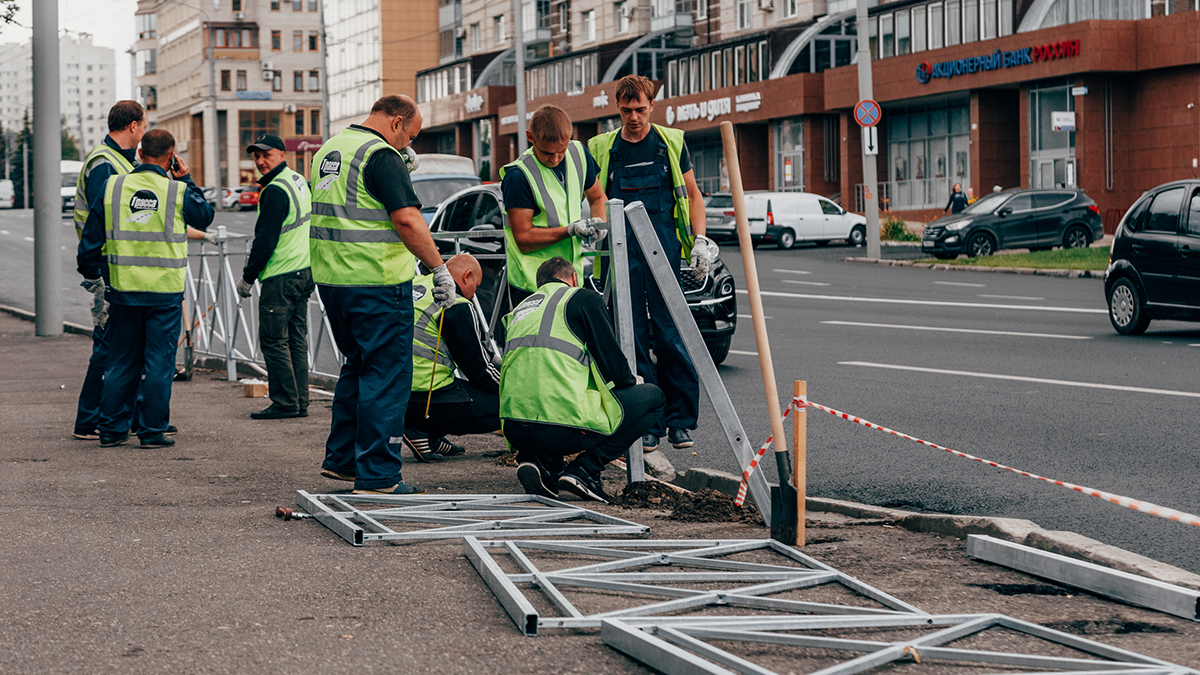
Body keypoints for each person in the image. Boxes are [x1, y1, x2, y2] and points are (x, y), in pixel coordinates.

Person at [310, 94, 456, 496]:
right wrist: (439, 269)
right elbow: (407, 220)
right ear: (396, 122)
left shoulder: (330, 150)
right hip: (375, 281)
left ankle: (342, 461)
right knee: (387, 376)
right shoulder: (380, 155)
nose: (409, 144)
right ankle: (378, 476)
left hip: (334, 281)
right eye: (410, 135)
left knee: (357, 367)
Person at [72, 101, 215, 441]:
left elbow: (90, 243)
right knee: (158, 364)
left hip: (122, 289)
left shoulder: (112, 187)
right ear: (171, 157)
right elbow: (205, 216)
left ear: (140, 151)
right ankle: (151, 431)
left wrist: (93, 275)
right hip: (163, 293)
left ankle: (111, 430)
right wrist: (187, 178)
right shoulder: (176, 191)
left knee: (122, 361)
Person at [587, 74, 709, 453]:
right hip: (621, 255)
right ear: (617, 108)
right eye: (626, 110)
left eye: (640, 109)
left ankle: (681, 423)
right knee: (633, 340)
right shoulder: (602, 147)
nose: (634, 117)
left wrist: (701, 240)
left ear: (652, 106)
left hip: (664, 250)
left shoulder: (671, 142)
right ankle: (650, 425)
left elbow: (692, 194)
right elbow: (594, 198)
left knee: (672, 335)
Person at [500, 257, 665, 503]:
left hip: (515, 429)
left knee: (551, 397)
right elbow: (615, 371)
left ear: (540, 284)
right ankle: (585, 470)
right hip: (561, 427)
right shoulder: (582, 298)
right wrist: (632, 384)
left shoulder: (521, 309)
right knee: (654, 398)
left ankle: (538, 461)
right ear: (574, 278)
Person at [237, 133, 315, 420]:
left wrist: (248, 278)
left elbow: (265, 240)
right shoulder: (297, 181)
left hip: (281, 273)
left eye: (266, 154)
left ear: (282, 154)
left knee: (273, 339)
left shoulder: (274, 190)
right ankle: (299, 401)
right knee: (295, 339)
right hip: (304, 271)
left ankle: (284, 402)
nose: (260, 161)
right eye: (256, 156)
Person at [500, 105, 608, 309]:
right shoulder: (518, 175)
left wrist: (599, 222)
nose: (555, 158)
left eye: (561, 150)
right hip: (533, 285)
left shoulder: (578, 153)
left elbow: (598, 198)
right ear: (529, 137)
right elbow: (523, 239)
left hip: (570, 279)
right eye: (547, 153)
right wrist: (569, 230)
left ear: (570, 136)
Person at [403, 254, 501, 462]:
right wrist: (511, 388)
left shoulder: (417, 283)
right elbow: (478, 370)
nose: (474, 293)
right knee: (504, 407)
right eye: (476, 285)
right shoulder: (455, 303)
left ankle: (429, 433)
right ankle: (423, 430)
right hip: (424, 394)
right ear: (467, 276)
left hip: (394, 390)